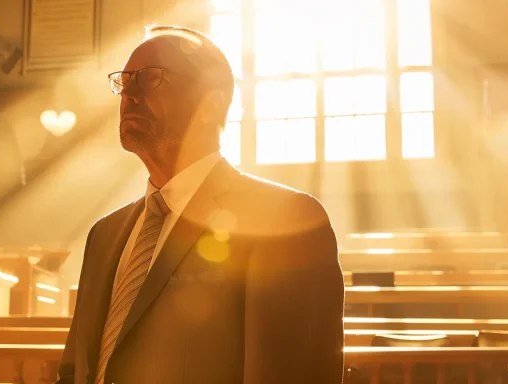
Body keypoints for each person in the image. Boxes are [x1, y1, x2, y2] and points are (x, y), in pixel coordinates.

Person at [58, 25, 345, 384]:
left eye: (151, 78)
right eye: (124, 81)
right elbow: (74, 371)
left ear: (210, 104)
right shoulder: (104, 234)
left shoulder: (282, 219)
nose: (128, 94)